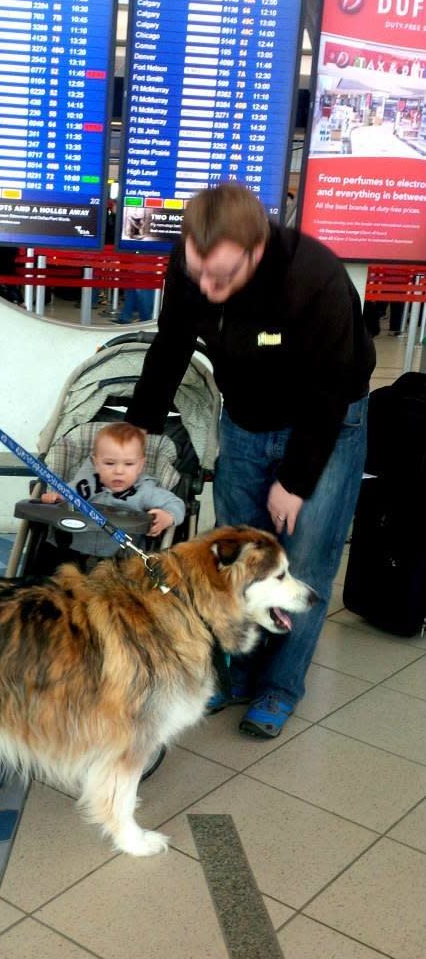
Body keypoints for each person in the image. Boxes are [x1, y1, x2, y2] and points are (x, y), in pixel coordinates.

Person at [126, 182, 376, 738]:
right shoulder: (191, 265)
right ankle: (236, 670)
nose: (209, 289)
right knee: (234, 551)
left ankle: (279, 686)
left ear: (257, 249)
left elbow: (330, 391)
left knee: (304, 554)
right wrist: (139, 426)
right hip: (243, 417)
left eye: (224, 276)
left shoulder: (315, 279)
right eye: (199, 274)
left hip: (325, 422)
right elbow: (170, 343)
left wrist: (294, 479)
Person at [38, 422, 185, 569]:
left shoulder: (145, 490)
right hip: (72, 551)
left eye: (128, 464)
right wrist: (56, 497)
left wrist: (168, 516)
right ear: (96, 463)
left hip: (121, 560)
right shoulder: (86, 483)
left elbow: (176, 503)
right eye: (109, 463)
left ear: (140, 465)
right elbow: (67, 493)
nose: (119, 471)